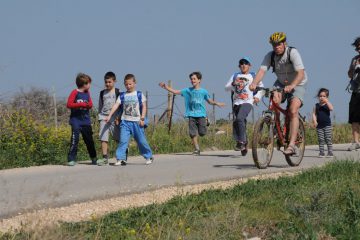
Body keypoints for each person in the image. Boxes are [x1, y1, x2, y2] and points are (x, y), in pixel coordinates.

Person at [249, 32, 308, 155]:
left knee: (292, 110)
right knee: (274, 100)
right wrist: (254, 83)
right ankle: (275, 127)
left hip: (298, 83)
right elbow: (261, 71)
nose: (277, 47)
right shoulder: (270, 56)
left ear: (284, 43)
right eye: (274, 45)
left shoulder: (292, 53)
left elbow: (301, 73)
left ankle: (291, 145)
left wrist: (292, 85)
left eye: (279, 44)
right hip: (281, 83)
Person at [159, 71, 225, 155]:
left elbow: (209, 101)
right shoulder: (187, 90)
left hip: (201, 115)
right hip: (191, 114)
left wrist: (217, 103)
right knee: (192, 132)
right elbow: (175, 91)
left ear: (199, 80)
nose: (192, 80)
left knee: (202, 133)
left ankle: (206, 121)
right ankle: (197, 149)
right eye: (191, 79)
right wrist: (165, 87)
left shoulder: (203, 91)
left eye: (194, 79)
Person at [106, 74, 153, 166]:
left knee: (141, 141)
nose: (128, 86)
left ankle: (148, 156)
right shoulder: (122, 95)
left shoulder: (139, 94)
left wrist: (142, 118)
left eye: (130, 84)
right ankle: (121, 159)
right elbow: (116, 105)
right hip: (125, 122)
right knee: (123, 141)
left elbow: (144, 106)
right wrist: (109, 115)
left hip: (137, 122)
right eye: (126, 84)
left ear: (134, 83)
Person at [225, 57, 264, 156]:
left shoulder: (253, 75)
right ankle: (245, 143)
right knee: (239, 122)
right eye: (241, 63)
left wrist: (257, 96)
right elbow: (226, 88)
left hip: (248, 101)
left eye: (246, 63)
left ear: (249, 65)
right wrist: (233, 84)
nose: (243, 65)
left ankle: (241, 141)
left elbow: (262, 88)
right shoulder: (235, 75)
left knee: (240, 118)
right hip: (236, 103)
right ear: (239, 66)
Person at [66, 73, 98, 166]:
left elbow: (91, 104)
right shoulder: (75, 92)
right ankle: (71, 159)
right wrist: (82, 104)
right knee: (74, 140)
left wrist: (88, 105)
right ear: (84, 84)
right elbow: (69, 104)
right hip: (76, 120)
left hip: (86, 121)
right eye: (89, 83)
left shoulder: (87, 93)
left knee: (89, 140)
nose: (90, 85)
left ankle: (94, 158)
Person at [97, 71, 121, 165]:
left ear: (114, 81)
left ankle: (121, 155)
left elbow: (121, 106)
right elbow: (100, 106)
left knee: (117, 138)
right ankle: (105, 158)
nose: (108, 84)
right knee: (103, 138)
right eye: (106, 82)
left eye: (110, 82)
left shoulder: (118, 92)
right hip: (103, 117)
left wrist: (118, 118)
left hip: (115, 118)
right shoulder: (102, 93)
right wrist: (99, 117)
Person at [312, 88, 334, 158]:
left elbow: (331, 108)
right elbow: (314, 114)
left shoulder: (327, 104)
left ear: (327, 97)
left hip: (327, 125)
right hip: (319, 126)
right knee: (321, 139)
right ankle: (321, 152)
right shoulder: (316, 105)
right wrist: (315, 121)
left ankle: (330, 152)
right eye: (320, 96)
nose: (322, 98)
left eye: (324, 96)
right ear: (318, 97)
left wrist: (327, 101)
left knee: (328, 138)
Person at [347, 36, 360, 151]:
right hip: (356, 91)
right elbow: (349, 74)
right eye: (357, 48)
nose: (358, 50)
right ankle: (356, 141)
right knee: (354, 117)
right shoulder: (355, 59)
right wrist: (354, 70)